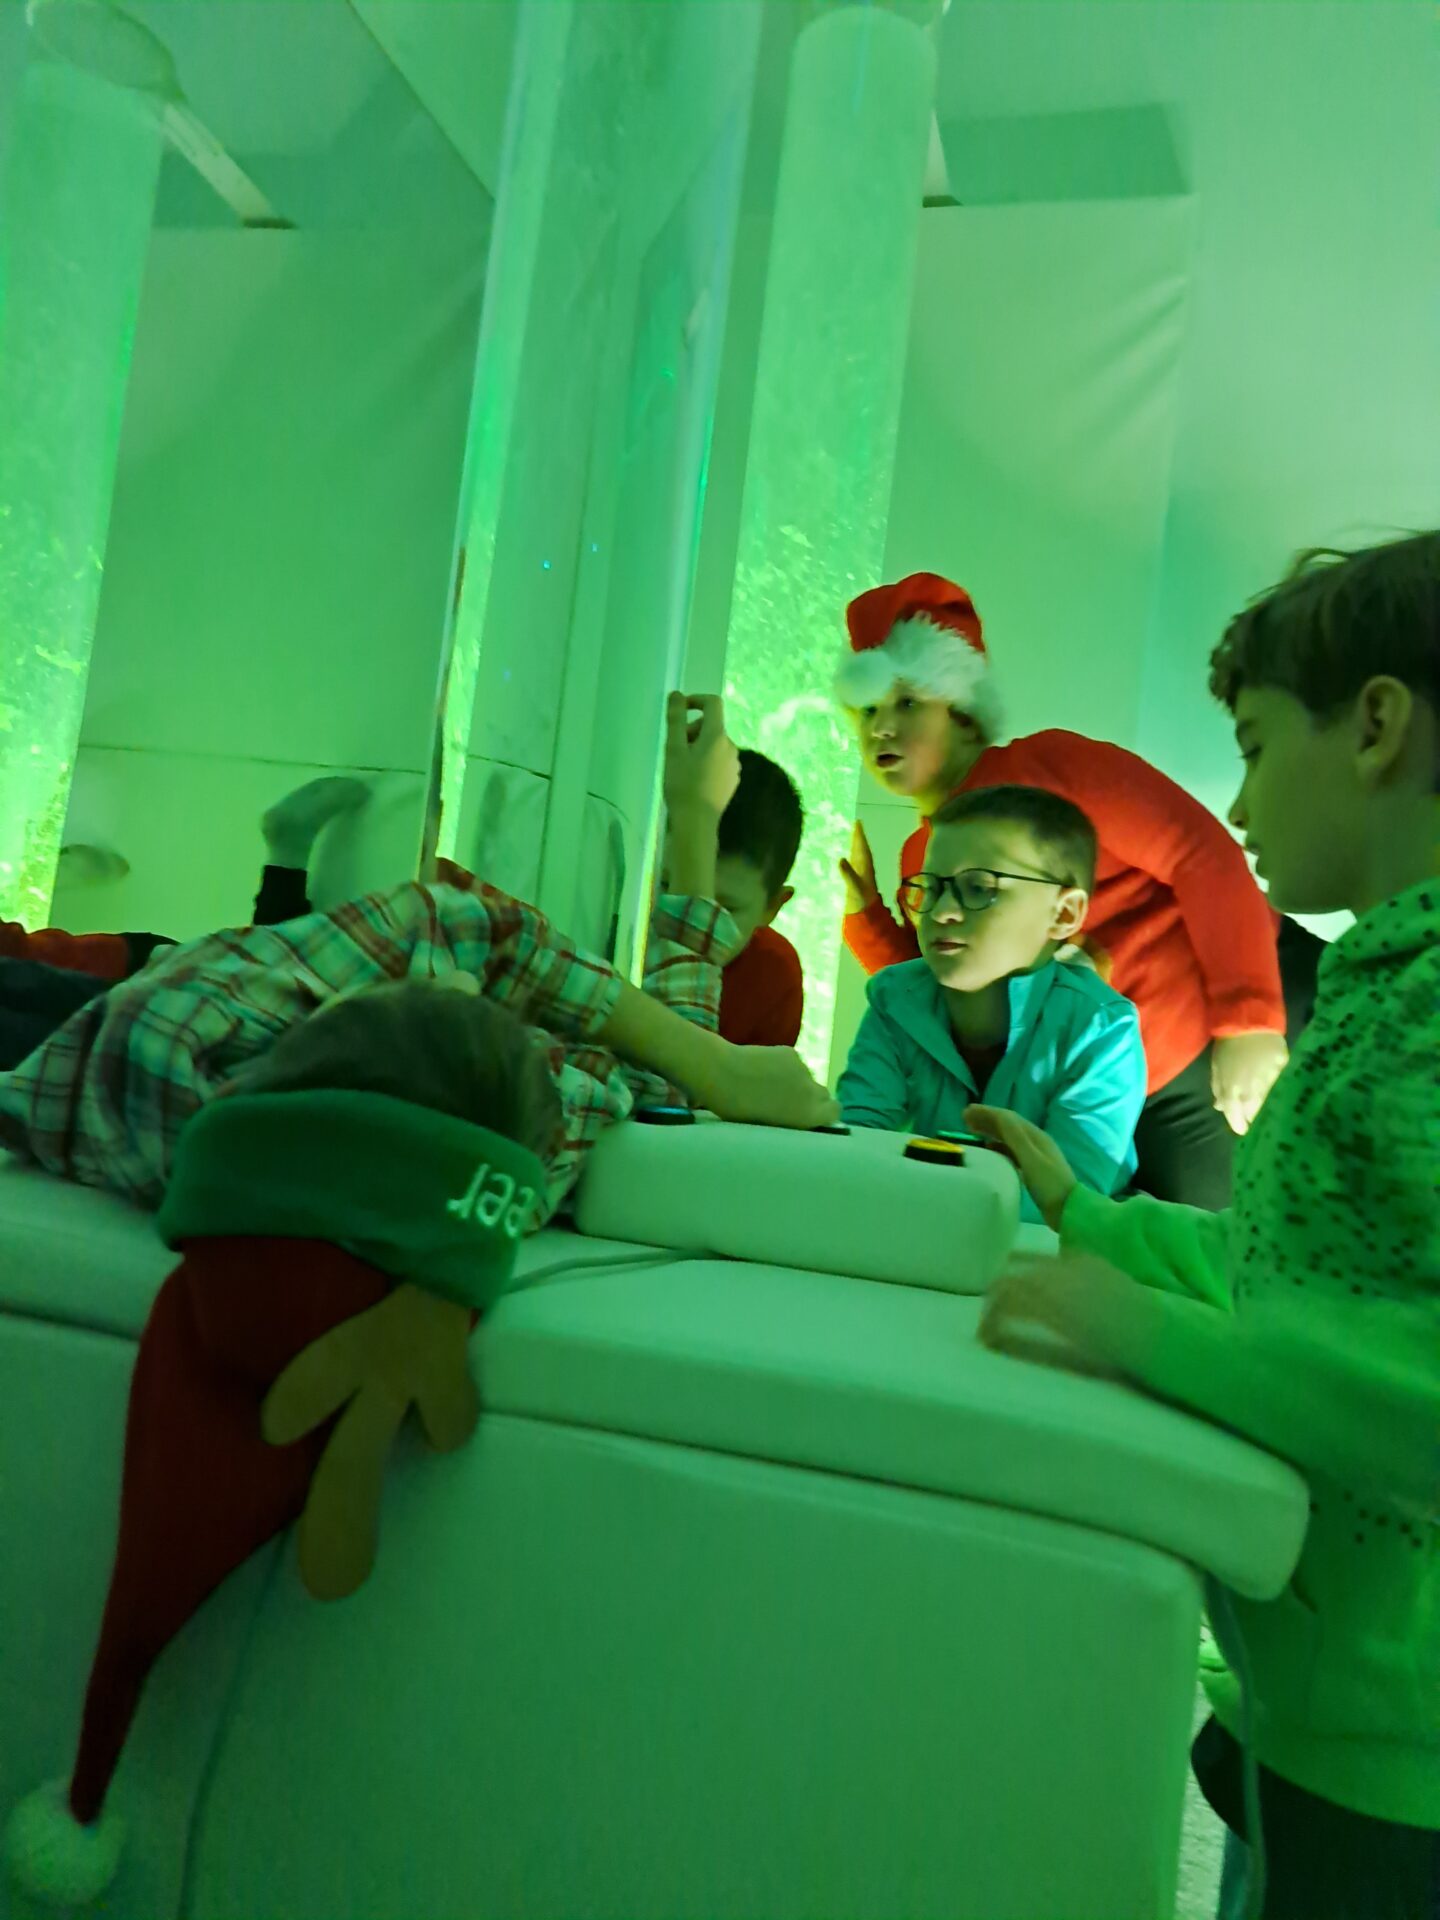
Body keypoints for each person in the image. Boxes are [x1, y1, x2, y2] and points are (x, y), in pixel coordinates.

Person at [965, 531, 1439, 1920]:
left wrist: (1143, 1334)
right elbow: (1298, 1272)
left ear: (1376, 726)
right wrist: (1090, 1223)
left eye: (1253, 747)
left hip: (1400, 1751)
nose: (1234, 804)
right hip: (1320, 1691)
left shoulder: (1423, 1016)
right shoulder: (1380, 987)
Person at [0, 695, 838, 1211]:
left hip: (183, 1009)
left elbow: (661, 1096)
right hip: (189, 996)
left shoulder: (752, 983)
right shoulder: (537, 1087)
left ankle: (293, 863)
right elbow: (660, 1086)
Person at [834, 572, 1290, 1211]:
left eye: (907, 703)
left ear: (962, 709)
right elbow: (955, 995)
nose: (881, 728)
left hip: (1221, 1037)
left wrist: (1250, 1021)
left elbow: (1201, 855)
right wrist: (868, 922)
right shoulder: (922, 854)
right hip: (1115, 1092)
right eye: (868, 711)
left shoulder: (1052, 766)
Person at [837, 785, 1145, 1222]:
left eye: (979, 888)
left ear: (1063, 914)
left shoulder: (1101, 1030)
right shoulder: (894, 997)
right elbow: (854, 1149)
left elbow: (1066, 1207)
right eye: (931, 888)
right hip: (918, 1234)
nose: (940, 912)